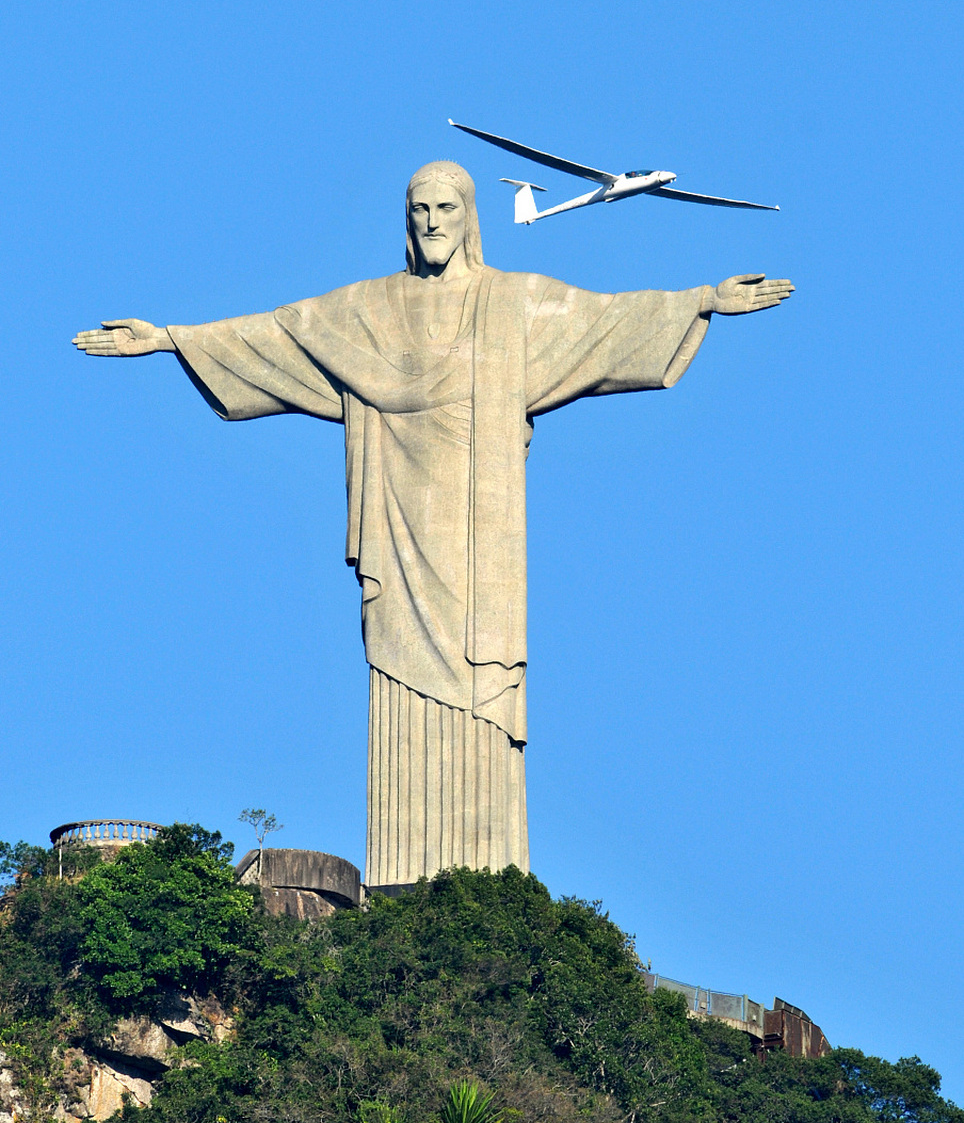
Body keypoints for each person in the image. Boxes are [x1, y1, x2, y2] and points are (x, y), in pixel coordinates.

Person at [74, 160, 793, 887]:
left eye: (446, 208)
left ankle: (484, 885)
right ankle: (403, 883)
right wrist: (170, 338)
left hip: (481, 548)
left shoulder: (513, 305)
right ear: (405, 220)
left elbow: (604, 320)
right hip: (399, 528)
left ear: (470, 217)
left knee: (483, 691)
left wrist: (702, 300)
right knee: (400, 681)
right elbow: (284, 334)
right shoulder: (370, 311)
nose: (432, 222)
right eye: (419, 209)